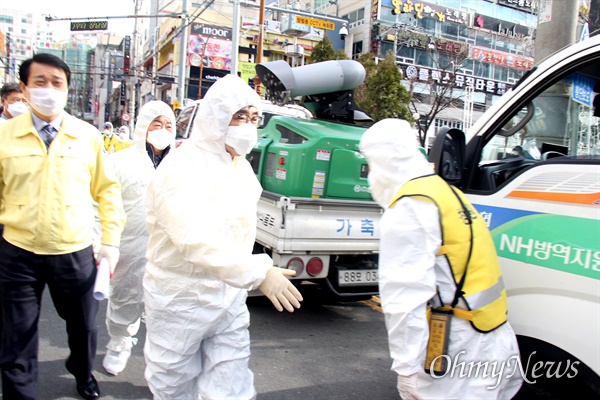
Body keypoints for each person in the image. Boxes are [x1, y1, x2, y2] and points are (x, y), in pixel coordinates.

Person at [143, 75, 303, 399]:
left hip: (228, 295)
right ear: (217, 116)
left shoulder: (240, 167)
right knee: (173, 383)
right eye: (239, 116)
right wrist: (258, 272)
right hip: (180, 297)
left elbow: (240, 231)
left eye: (253, 117)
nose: (247, 125)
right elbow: (194, 238)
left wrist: (246, 275)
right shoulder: (181, 166)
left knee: (232, 385)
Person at [359, 119, 523, 400]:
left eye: (371, 163)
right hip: (495, 337)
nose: (370, 173)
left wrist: (406, 367)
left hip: (458, 350)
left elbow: (403, 295)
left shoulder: (409, 208)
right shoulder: (447, 193)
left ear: (384, 161)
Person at [0, 53, 126, 400]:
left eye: (57, 83)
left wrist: (110, 243)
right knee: (17, 336)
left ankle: (83, 372)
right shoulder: (5, 136)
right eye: (40, 82)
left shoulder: (86, 136)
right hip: (18, 252)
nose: (49, 89)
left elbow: (107, 191)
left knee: (84, 327)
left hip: (74, 250)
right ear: (24, 89)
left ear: (68, 90)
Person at [102, 101, 176, 376]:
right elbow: (102, 204)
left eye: (168, 124)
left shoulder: (181, 164)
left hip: (169, 249)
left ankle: (162, 358)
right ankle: (119, 343)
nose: (163, 129)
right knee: (125, 298)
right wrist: (102, 243)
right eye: (157, 123)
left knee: (167, 305)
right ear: (143, 127)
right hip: (130, 244)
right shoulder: (119, 161)